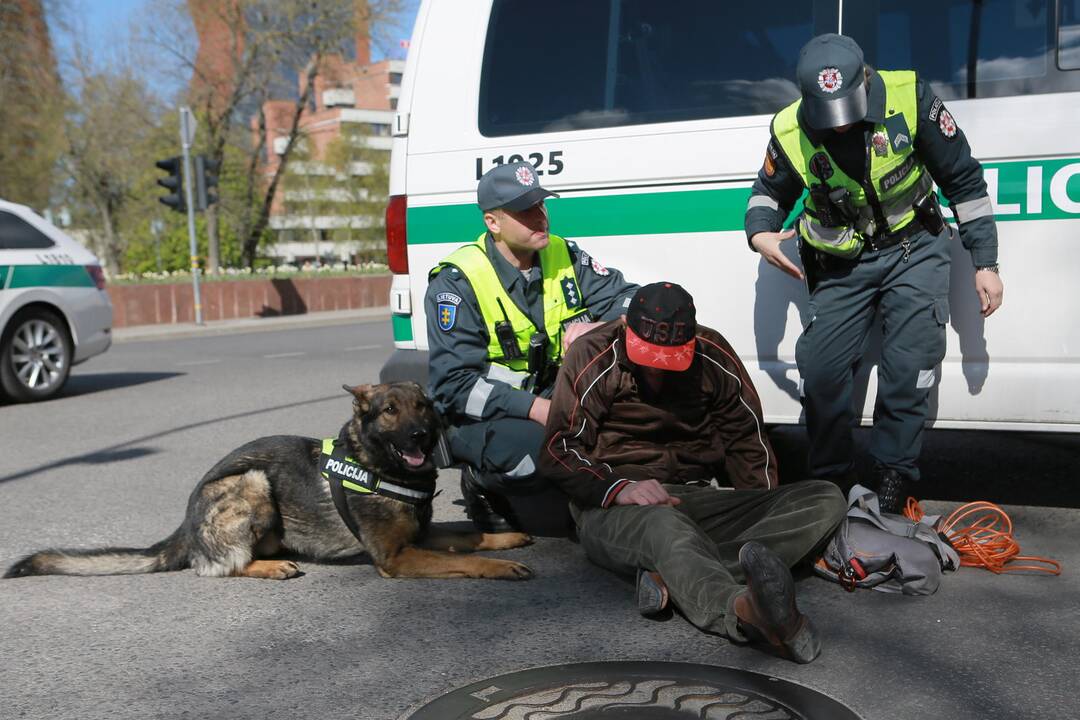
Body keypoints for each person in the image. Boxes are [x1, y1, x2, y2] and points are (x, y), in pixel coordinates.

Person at [745, 34, 1004, 513]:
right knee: (821, 370)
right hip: (842, 261)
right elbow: (767, 193)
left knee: (911, 367)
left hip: (915, 247)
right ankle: (830, 483)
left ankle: (894, 476)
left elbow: (963, 179)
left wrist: (985, 261)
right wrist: (760, 233)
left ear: (866, 79)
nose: (839, 127)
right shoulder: (787, 129)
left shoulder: (910, 97)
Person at [539, 281, 847, 663]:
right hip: (616, 503)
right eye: (647, 358)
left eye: (670, 359)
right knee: (666, 527)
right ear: (625, 327)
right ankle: (745, 611)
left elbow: (746, 440)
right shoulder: (593, 354)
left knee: (825, 497)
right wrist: (617, 488)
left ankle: (676, 573)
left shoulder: (712, 354)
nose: (657, 371)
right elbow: (559, 449)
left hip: (695, 493)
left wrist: (757, 505)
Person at [426, 161, 637, 532]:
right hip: (489, 414)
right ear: (493, 223)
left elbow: (632, 299)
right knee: (549, 457)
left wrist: (598, 326)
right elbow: (453, 386)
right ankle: (482, 482)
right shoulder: (456, 283)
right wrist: (537, 408)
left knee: (617, 439)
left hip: (552, 398)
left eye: (541, 205)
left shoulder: (563, 255)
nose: (541, 218)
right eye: (525, 211)